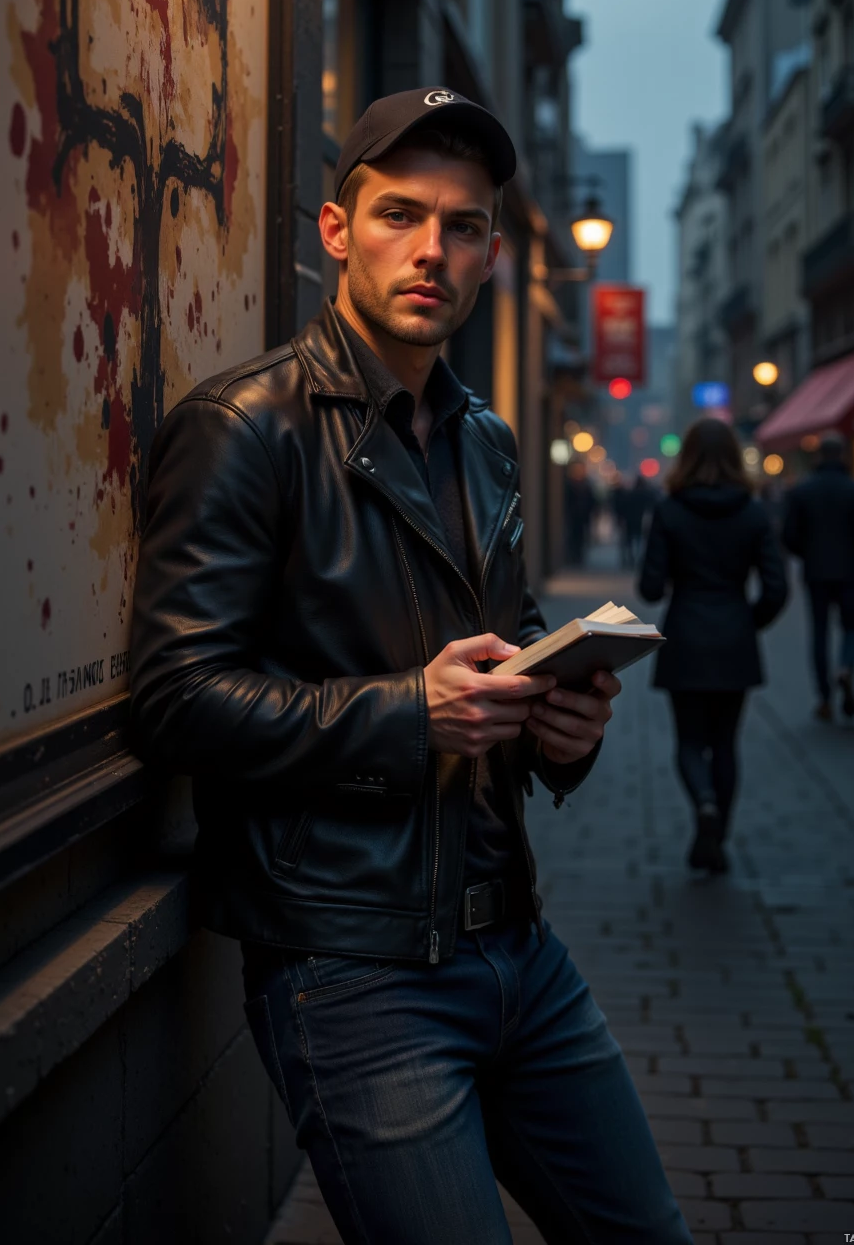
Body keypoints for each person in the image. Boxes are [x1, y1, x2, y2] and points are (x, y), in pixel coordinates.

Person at [130, 88, 692, 1245]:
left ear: (492, 252)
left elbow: (511, 631)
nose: (432, 249)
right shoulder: (247, 428)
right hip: (353, 968)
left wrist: (558, 730)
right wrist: (407, 714)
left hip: (518, 950)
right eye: (399, 215)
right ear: (335, 230)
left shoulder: (484, 439)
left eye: (464, 225)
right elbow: (174, 698)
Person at [639, 418, 787, 874]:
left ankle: (702, 803)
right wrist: (747, 621)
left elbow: (649, 588)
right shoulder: (753, 511)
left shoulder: (669, 510)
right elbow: (777, 588)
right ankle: (717, 835)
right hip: (734, 638)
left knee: (689, 741)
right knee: (725, 744)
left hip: (686, 635)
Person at [782, 432, 854, 721]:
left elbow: (789, 535)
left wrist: (807, 554)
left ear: (819, 456)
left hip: (816, 571)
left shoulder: (802, 490)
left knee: (819, 632)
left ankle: (824, 697)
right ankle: (846, 667)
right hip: (848, 571)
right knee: (851, 627)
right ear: (843, 455)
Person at [564, 461, 595, 565]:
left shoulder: (586, 486)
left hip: (583, 517)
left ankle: (578, 555)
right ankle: (574, 555)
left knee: (581, 537)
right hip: (574, 517)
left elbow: (592, 502)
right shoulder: (571, 485)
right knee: (574, 536)